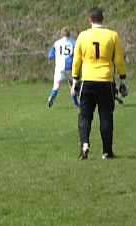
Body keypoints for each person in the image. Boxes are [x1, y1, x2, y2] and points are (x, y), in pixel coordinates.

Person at [71, 8, 128, 160]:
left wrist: (75, 79)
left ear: (90, 20)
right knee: (106, 116)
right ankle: (107, 151)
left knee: (85, 116)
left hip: (88, 81)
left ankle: (84, 144)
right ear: (103, 19)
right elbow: (119, 60)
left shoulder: (83, 36)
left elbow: (77, 60)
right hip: (106, 81)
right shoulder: (112, 35)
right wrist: (122, 79)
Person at [47, 27, 79, 108]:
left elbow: (50, 56)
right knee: (73, 85)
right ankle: (76, 103)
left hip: (59, 67)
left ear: (61, 34)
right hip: (70, 67)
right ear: (69, 34)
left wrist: (56, 56)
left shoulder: (57, 43)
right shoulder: (74, 42)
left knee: (56, 85)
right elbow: (78, 54)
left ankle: (51, 98)